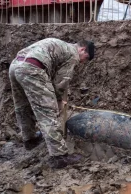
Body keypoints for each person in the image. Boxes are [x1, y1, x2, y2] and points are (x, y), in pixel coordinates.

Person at [9, 38, 94, 168]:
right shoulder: (73, 54)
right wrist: (59, 100)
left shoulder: (62, 46)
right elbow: (61, 82)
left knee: (23, 107)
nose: (82, 62)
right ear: (82, 49)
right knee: (48, 112)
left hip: (15, 66)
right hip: (32, 68)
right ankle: (60, 157)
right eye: (85, 58)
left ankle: (29, 139)